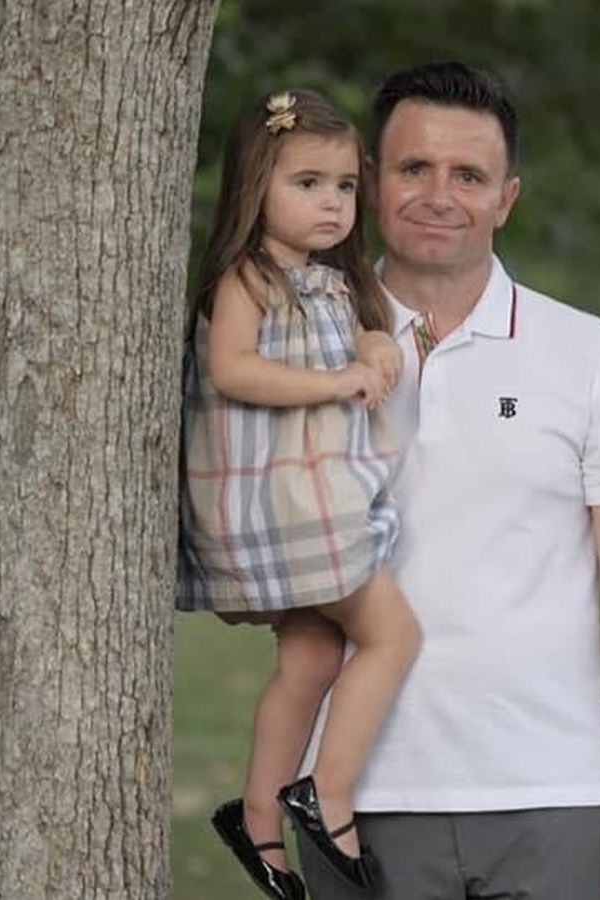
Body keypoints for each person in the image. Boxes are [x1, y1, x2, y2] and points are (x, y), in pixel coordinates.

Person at [293, 62, 600, 900]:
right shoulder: (302, 344)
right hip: (354, 795)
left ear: (506, 199)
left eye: (468, 176)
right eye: (415, 168)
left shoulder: (587, 355)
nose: (440, 195)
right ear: (372, 182)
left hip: (554, 790)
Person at [177, 89, 422, 899]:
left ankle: (257, 822)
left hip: (307, 503)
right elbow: (233, 369)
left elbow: (360, 342)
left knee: (313, 655)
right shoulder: (247, 279)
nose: (333, 203)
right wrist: (337, 380)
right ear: (257, 187)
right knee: (392, 636)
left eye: (345, 186)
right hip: (287, 506)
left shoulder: (327, 284)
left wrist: (375, 349)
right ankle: (327, 793)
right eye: (308, 184)